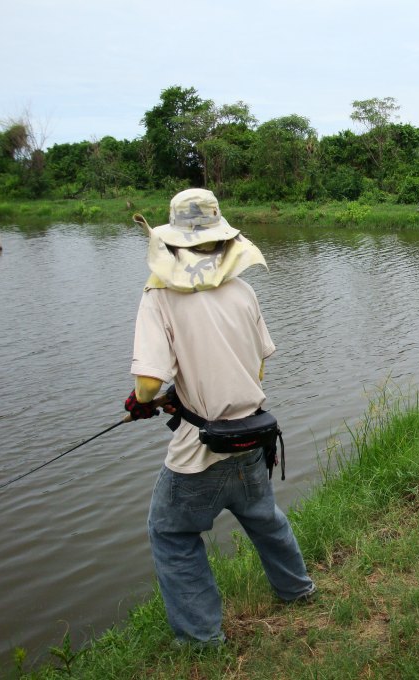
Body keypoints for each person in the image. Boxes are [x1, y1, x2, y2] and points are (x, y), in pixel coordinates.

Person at [123, 188, 315, 648]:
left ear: (172, 243)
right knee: (264, 517)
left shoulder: (159, 297)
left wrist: (146, 399)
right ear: (222, 239)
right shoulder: (243, 291)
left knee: (170, 533)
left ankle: (201, 639)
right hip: (252, 435)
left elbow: (148, 383)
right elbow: (258, 364)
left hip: (199, 451)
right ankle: (298, 591)